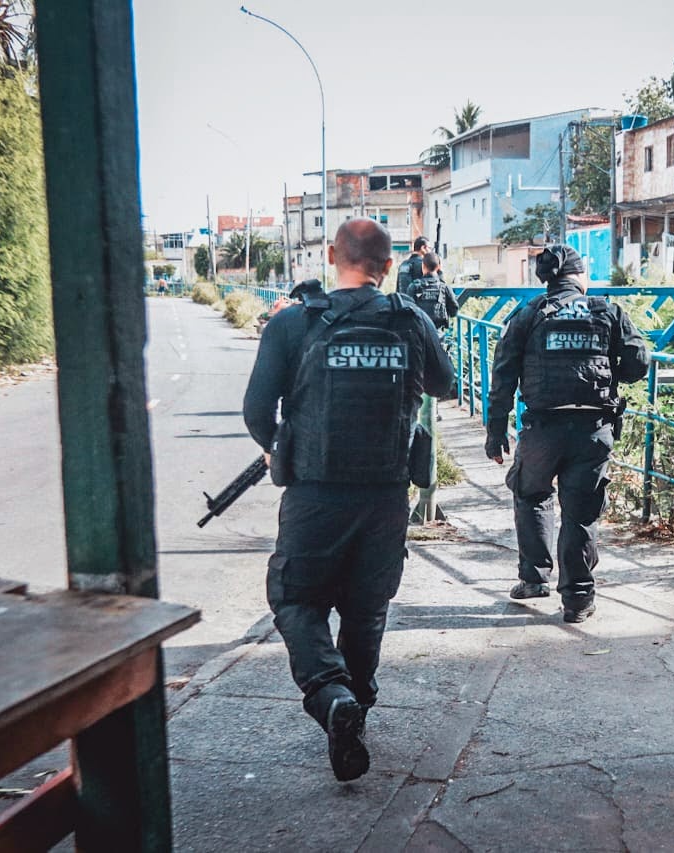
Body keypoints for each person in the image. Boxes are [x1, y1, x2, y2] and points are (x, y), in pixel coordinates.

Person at [243, 218, 454, 781]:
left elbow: (257, 411)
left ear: (333, 256)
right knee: (366, 607)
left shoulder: (292, 322)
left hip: (314, 493)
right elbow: (445, 384)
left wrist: (278, 446)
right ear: (389, 266)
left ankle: (331, 694)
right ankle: (354, 705)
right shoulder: (410, 319)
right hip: (385, 495)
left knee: (295, 598)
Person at [484, 245, 649, 622]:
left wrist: (495, 432)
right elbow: (639, 361)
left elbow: (503, 375)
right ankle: (577, 600)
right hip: (593, 429)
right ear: (578, 275)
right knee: (580, 512)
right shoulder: (607, 311)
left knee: (531, 494)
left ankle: (533, 579)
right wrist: (612, 372)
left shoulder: (528, 314)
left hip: (542, 428)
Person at [406, 252, 459, 331]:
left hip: (419, 333)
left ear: (423, 266)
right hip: (438, 334)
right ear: (438, 267)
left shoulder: (414, 287)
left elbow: (407, 311)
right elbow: (454, 311)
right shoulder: (445, 287)